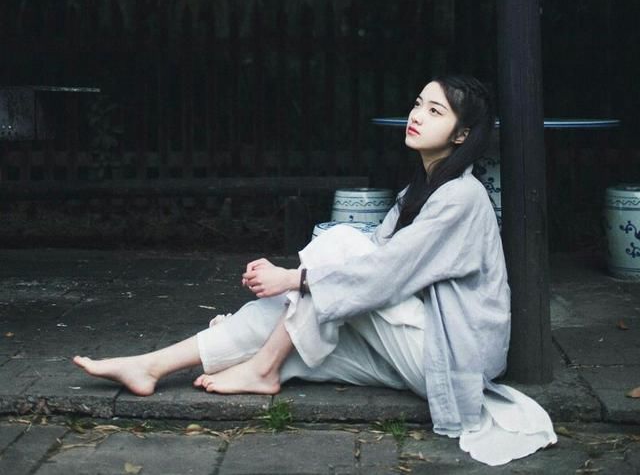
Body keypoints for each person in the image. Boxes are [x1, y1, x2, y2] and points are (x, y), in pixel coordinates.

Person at [73, 74, 556, 466]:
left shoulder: (462, 198)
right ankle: (150, 366)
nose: (416, 115)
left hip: (453, 355)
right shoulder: (420, 190)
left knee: (338, 247)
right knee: (284, 315)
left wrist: (293, 277)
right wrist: (299, 290)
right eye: (417, 104)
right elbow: (370, 270)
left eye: (435, 111)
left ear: (462, 135)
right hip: (416, 341)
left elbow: (384, 273)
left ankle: (262, 368)